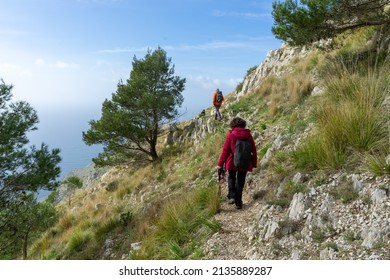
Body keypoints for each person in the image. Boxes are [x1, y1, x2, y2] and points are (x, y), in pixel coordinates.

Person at [217, 117, 257, 209]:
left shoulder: (231, 135)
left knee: (231, 177)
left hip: (232, 161)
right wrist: (254, 163)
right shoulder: (248, 135)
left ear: (233, 125)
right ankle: (238, 202)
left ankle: (232, 195)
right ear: (243, 125)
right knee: (240, 180)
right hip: (245, 161)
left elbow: (226, 151)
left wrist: (220, 164)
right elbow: (253, 150)